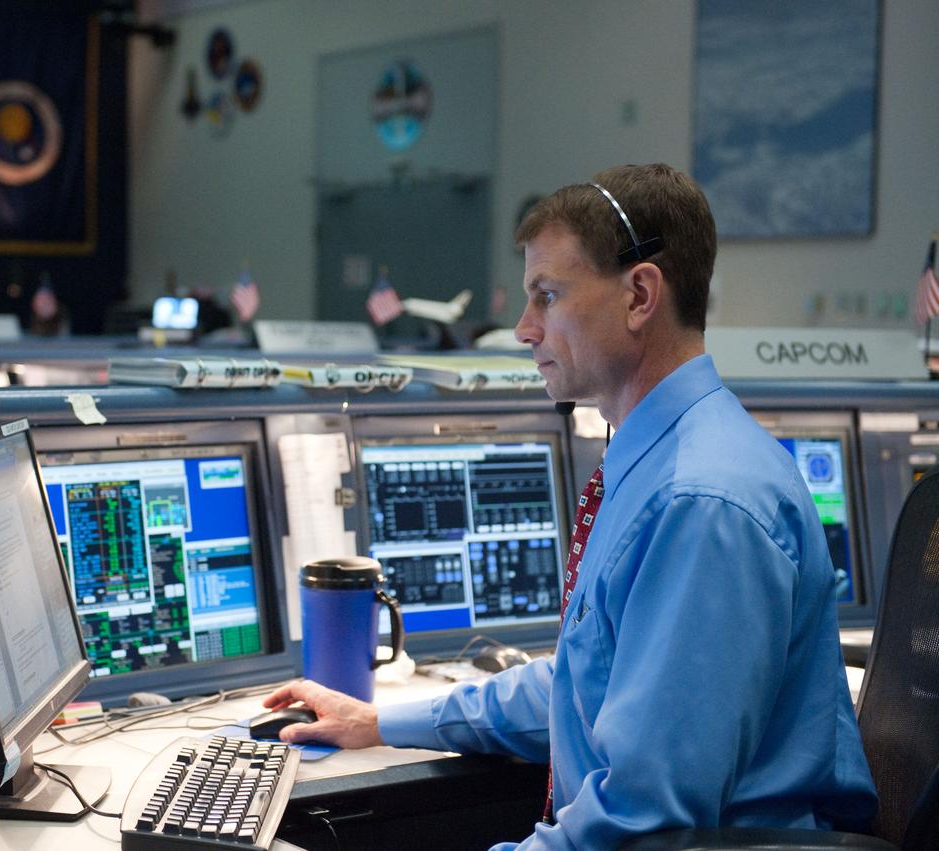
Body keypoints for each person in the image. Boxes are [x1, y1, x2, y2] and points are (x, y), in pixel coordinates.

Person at [262, 163, 877, 849]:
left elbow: (642, 822)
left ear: (640, 294)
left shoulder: (700, 503)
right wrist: (380, 722)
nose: (524, 328)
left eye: (547, 295)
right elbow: (586, 682)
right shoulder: (661, 463)